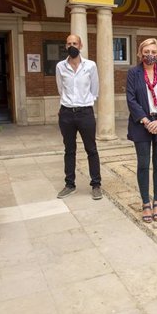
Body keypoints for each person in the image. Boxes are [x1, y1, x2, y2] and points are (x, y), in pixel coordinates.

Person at [126, 38, 157, 223]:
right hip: (141, 123)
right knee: (143, 165)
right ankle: (146, 203)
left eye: (153, 52)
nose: (150, 55)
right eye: (146, 51)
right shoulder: (133, 73)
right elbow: (131, 99)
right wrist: (146, 121)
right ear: (140, 53)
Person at [55, 34, 103, 200]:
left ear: (80, 45)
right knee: (69, 150)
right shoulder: (60, 66)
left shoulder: (90, 66)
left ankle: (96, 184)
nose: (72, 46)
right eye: (69, 43)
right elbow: (60, 89)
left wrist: (85, 102)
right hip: (67, 113)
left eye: (74, 43)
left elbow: (95, 89)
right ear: (66, 46)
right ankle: (70, 184)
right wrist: (68, 103)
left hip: (85, 113)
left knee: (91, 149)